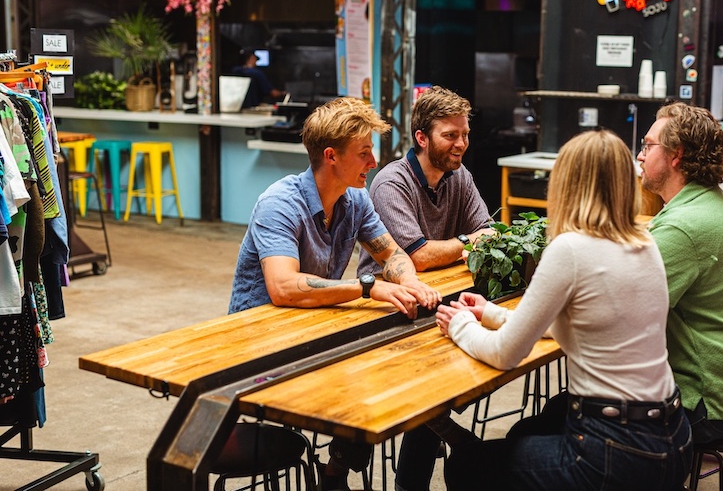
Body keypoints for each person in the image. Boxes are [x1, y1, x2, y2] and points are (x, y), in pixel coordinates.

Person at [436, 130, 692, 490]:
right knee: (527, 431)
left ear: (566, 183)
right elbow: (573, 325)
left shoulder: (571, 248)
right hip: (674, 438)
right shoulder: (644, 242)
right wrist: (490, 315)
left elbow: (505, 354)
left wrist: (460, 323)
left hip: (615, 453)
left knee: (468, 464)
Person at [228, 97, 442, 490]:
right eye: (363, 153)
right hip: (259, 347)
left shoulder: (355, 200)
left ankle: (335, 469)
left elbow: (392, 254)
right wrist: (367, 287)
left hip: (313, 329)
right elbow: (284, 287)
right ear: (331, 156)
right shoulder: (279, 203)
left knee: (404, 371)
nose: (373, 162)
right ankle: (337, 470)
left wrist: (409, 282)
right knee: (371, 378)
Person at [357, 85, 493, 491]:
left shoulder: (459, 176)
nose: (461, 144)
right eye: (450, 135)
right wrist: (467, 244)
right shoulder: (390, 183)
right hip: (387, 308)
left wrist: (460, 245)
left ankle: (432, 446)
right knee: (432, 388)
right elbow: (415, 256)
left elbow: (488, 231)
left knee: (463, 375)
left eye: (464, 134)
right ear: (422, 138)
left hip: (439, 298)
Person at [638, 101, 723, 445]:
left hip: (711, 403)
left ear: (676, 155)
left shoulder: (684, 225)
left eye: (648, 145)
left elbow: (627, 312)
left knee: (578, 416)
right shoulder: (706, 200)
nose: (640, 155)